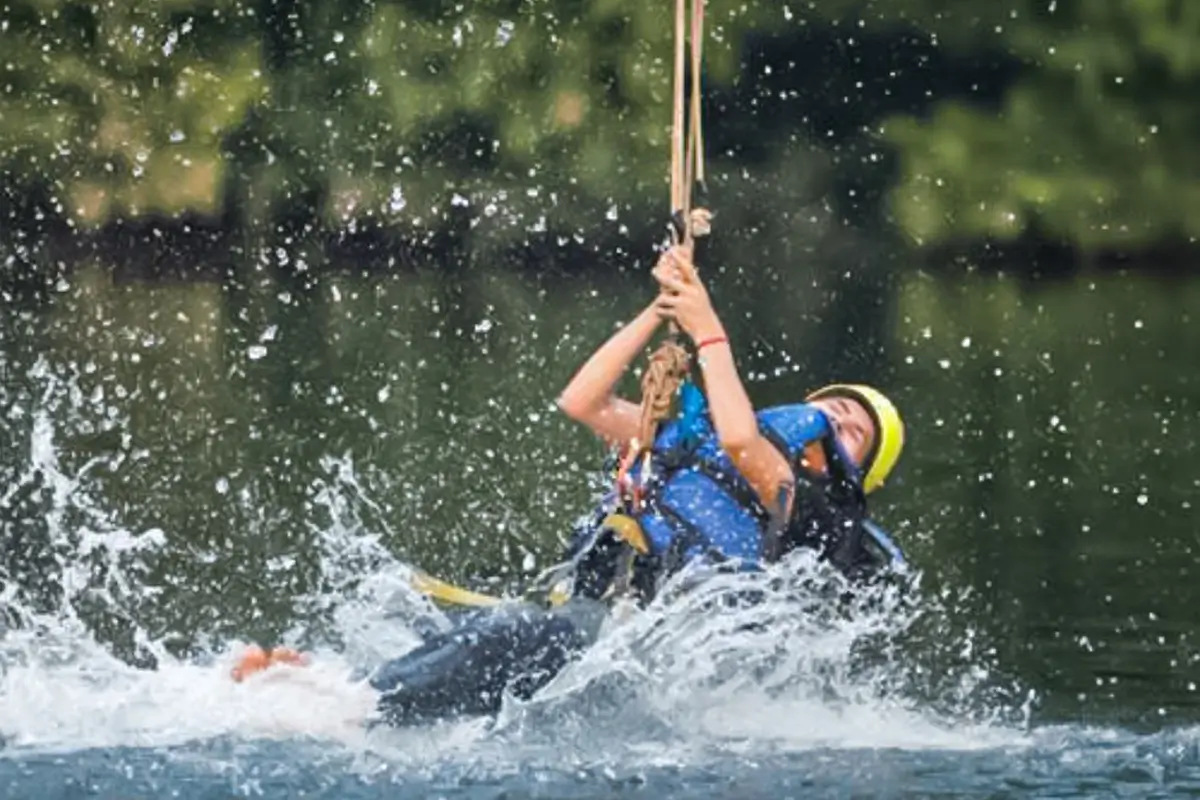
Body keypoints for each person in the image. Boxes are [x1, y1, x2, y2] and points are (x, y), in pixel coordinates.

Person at [232, 243, 908, 725]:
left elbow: (740, 438)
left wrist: (707, 326)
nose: (836, 418)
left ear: (851, 472)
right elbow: (582, 401)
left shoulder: (797, 499)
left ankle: (352, 708)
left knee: (523, 635)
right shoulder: (693, 446)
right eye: (834, 406)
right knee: (491, 628)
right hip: (602, 617)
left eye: (852, 432)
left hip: (647, 649)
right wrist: (659, 310)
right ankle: (333, 686)